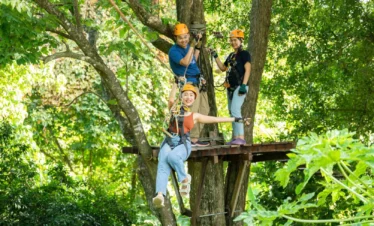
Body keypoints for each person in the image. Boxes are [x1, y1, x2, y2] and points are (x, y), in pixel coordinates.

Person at [152, 84, 249, 208]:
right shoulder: (173, 110)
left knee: (173, 157)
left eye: (191, 95)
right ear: (181, 97)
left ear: (194, 98)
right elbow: (171, 100)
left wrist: (237, 119)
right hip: (169, 140)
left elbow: (215, 119)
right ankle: (160, 194)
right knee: (163, 162)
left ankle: (184, 178)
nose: (188, 97)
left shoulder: (195, 116)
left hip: (183, 142)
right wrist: (175, 85)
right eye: (185, 95)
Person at [168, 23, 210, 147]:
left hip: (197, 81)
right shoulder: (174, 51)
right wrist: (192, 44)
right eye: (180, 37)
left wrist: (197, 46)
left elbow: (193, 61)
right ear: (175, 38)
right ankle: (192, 139)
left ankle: (194, 137)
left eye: (186, 37)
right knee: (193, 111)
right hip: (188, 83)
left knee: (204, 109)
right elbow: (185, 62)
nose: (184, 40)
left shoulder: (187, 47)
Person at [210, 29, 251, 145]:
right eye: (232, 41)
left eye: (236, 40)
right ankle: (236, 137)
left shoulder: (245, 54)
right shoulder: (231, 56)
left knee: (235, 110)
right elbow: (223, 68)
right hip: (231, 88)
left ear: (241, 40)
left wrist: (244, 84)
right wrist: (215, 56)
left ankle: (241, 137)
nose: (234, 43)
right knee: (231, 112)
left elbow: (248, 69)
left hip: (240, 86)